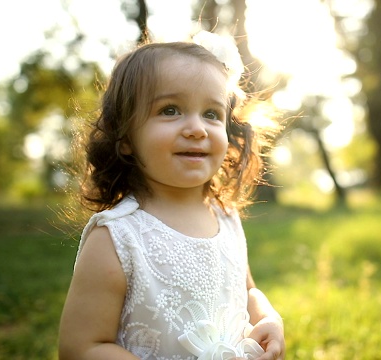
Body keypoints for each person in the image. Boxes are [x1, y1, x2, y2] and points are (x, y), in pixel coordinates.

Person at [59, 31, 285, 360]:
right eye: (170, 110)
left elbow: (247, 290)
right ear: (125, 137)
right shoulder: (117, 237)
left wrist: (268, 318)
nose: (197, 128)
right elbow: (81, 347)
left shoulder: (225, 217)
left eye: (211, 114)